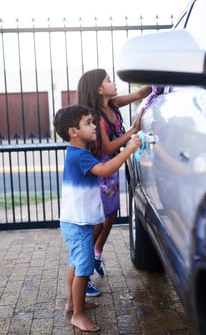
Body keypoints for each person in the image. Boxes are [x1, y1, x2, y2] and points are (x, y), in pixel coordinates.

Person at [53, 104, 141, 332]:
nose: (94, 127)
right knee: (83, 267)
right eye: (89, 123)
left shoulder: (77, 153)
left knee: (76, 262)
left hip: (77, 221)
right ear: (73, 131)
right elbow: (105, 170)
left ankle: (73, 303)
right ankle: (78, 315)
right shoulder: (80, 156)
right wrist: (128, 149)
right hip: (78, 223)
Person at [77, 68, 152, 277]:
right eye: (109, 80)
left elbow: (139, 94)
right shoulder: (97, 116)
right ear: (99, 89)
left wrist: (157, 82)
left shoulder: (113, 104)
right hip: (101, 171)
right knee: (98, 222)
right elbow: (108, 148)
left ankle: (96, 255)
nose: (114, 82)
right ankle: (85, 267)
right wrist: (131, 133)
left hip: (111, 169)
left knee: (110, 215)